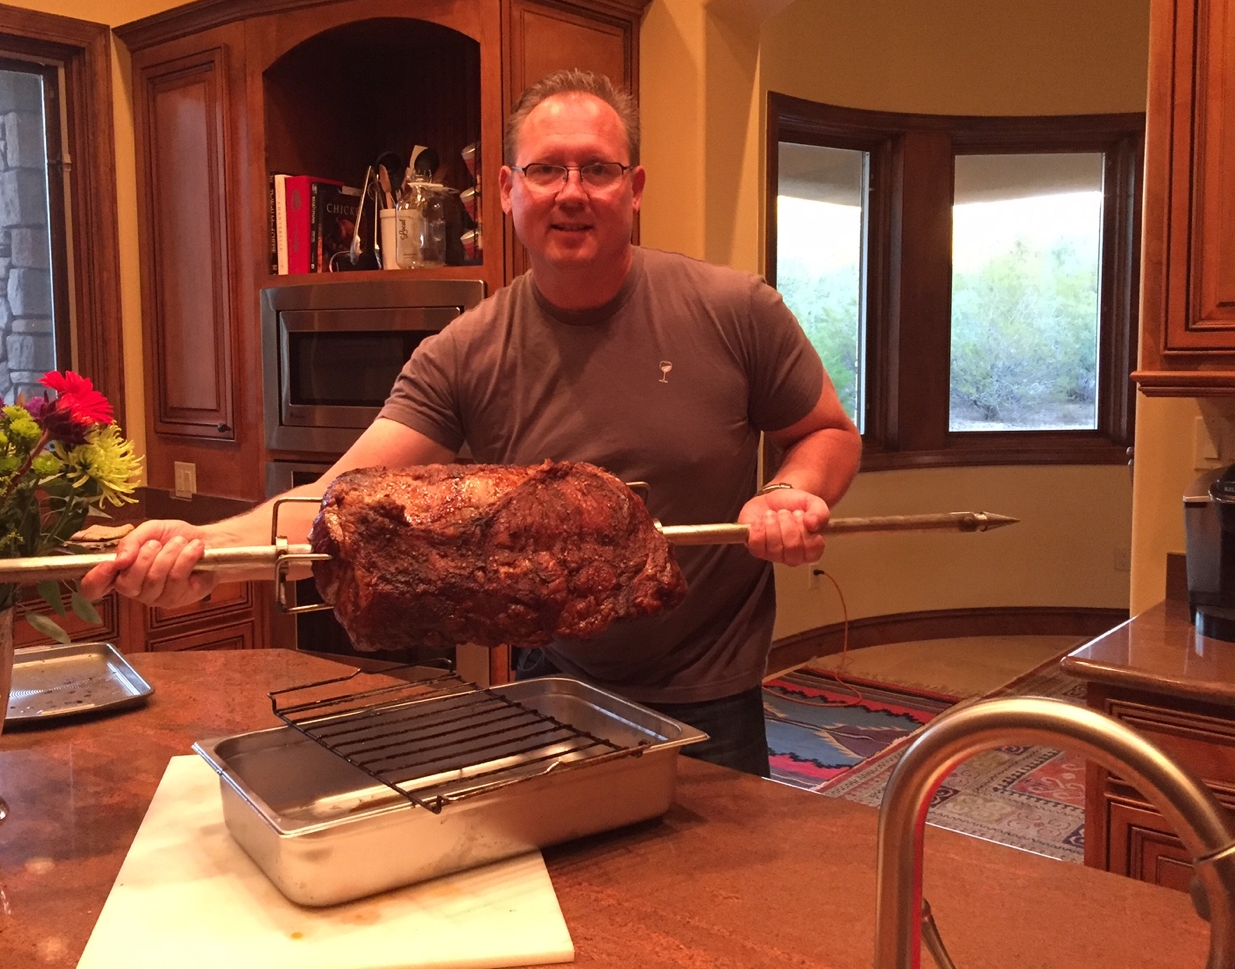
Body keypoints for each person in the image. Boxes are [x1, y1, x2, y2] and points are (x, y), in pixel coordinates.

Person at [82, 69, 861, 776]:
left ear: (635, 187)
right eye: (546, 169)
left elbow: (827, 431)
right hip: (553, 691)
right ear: (505, 190)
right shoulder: (465, 351)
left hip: (711, 696)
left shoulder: (733, 310)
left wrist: (790, 491)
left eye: (598, 168)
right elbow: (335, 501)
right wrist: (205, 551)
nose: (572, 190)